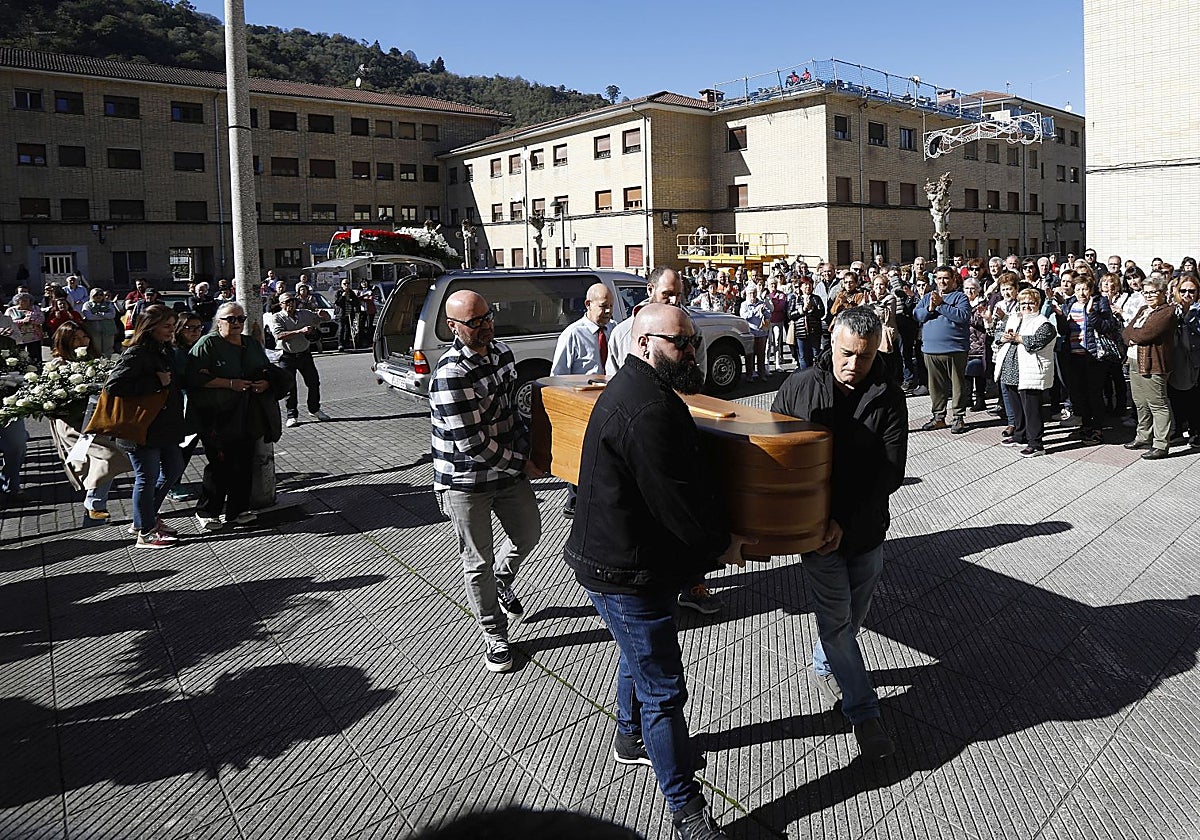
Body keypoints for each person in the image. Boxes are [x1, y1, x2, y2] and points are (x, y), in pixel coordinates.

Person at [565, 303, 752, 840]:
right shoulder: (646, 407)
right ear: (644, 342)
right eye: (679, 343)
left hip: (623, 559)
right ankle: (687, 809)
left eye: (692, 341)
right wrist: (724, 545)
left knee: (637, 653)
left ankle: (629, 737)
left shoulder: (638, 388)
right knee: (664, 687)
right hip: (625, 570)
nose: (690, 351)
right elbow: (677, 502)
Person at [771, 306, 908, 760]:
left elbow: (890, 471)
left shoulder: (888, 395)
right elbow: (777, 448)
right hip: (814, 532)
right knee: (836, 622)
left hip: (865, 530)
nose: (854, 364)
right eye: (847, 353)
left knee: (853, 616)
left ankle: (829, 661)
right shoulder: (799, 387)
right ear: (832, 341)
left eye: (864, 357)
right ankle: (864, 713)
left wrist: (844, 521)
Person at [429, 290, 543, 674]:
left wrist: (531, 446)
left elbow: (513, 412)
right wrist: (522, 463)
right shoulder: (450, 374)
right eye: (473, 322)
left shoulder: (502, 354)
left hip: (506, 471)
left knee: (529, 534)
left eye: (487, 317)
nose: (484, 326)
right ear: (453, 327)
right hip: (465, 478)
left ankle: (503, 579)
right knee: (477, 560)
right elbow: (473, 444)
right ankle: (494, 633)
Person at [187, 301, 278, 530]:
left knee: (244, 461)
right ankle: (208, 511)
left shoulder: (250, 343)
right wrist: (229, 383)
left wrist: (265, 383)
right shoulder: (208, 344)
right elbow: (193, 378)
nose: (236, 323)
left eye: (240, 319)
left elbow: (266, 367)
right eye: (231, 319)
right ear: (218, 322)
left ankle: (238, 510)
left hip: (248, 411)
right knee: (220, 464)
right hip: (216, 415)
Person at [103, 305, 186, 548]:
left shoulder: (164, 349)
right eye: (167, 326)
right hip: (142, 427)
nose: (172, 331)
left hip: (164, 426)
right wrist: (154, 382)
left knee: (173, 470)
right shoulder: (136, 352)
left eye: (173, 325)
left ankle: (144, 519)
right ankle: (146, 532)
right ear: (150, 327)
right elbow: (114, 386)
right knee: (146, 477)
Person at [550, 282, 614, 519]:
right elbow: (558, 376)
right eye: (603, 307)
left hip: (609, 402)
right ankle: (575, 500)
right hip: (583, 405)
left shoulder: (614, 330)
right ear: (588, 305)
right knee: (581, 453)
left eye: (611, 307)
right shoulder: (572, 335)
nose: (608, 312)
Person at [994, 288, 1057, 457]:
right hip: (1011, 367)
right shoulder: (1014, 318)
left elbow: (1036, 341)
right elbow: (997, 333)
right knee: (1016, 405)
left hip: (1030, 370)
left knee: (1032, 408)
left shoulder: (1044, 322)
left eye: (1030, 303)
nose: (1026, 306)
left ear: (1038, 304)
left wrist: (1017, 338)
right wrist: (1003, 337)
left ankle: (1036, 444)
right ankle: (1019, 435)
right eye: (1023, 303)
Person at [1122, 275, 1177, 459]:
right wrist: (1132, 335)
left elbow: (1147, 333)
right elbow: (1126, 331)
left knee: (1157, 403)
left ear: (1163, 293)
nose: (1149, 296)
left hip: (1153, 362)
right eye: (1146, 292)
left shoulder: (1167, 312)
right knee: (1140, 402)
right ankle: (1143, 436)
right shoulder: (1144, 309)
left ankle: (1161, 444)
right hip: (1134, 360)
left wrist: (1133, 336)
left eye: (1154, 292)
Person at [1061, 275, 1118, 445]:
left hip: (1094, 356)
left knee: (1094, 393)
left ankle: (1097, 429)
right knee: (1080, 393)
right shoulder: (1070, 303)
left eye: (1084, 289)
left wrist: (1091, 313)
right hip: (1074, 355)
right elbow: (1065, 329)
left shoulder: (1100, 302)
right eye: (1078, 289)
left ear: (1091, 289)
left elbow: (1107, 326)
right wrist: (1059, 316)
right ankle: (1086, 425)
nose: (1081, 293)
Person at [915, 265, 972, 433]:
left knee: (957, 385)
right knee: (935, 387)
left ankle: (958, 418)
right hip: (931, 350)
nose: (942, 281)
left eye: (946, 278)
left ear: (954, 280)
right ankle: (938, 417)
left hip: (955, 349)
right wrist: (930, 308)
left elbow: (962, 317)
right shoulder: (927, 297)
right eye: (939, 278)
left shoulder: (960, 297)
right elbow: (916, 315)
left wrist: (940, 305)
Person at [266, 292, 331, 428]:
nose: (291, 304)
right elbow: (279, 335)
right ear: (281, 304)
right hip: (286, 355)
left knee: (313, 382)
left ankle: (314, 409)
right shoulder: (277, 317)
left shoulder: (304, 314)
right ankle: (292, 415)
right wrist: (300, 331)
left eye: (293, 301)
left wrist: (324, 315)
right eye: (288, 302)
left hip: (304, 354)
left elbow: (323, 319)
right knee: (290, 386)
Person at [1168, 276, 1200, 447]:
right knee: (1175, 396)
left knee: (1194, 398)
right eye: (1183, 291)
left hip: (1195, 359)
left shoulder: (1198, 311)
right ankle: (1178, 430)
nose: (1187, 294)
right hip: (1176, 359)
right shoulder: (1173, 309)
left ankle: (1196, 431)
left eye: (1191, 291)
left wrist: (1189, 316)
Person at [788, 275, 825, 370]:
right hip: (800, 332)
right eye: (805, 285)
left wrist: (812, 309)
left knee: (816, 355)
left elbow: (821, 313)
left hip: (814, 331)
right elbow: (790, 315)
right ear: (801, 286)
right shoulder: (795, 299)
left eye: (809, 285)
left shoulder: (816, 298)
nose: (808, 287)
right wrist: (802, 310)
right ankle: (805, 375)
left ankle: (816, 374)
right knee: (802, 356)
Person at [5, 292, 44, 371]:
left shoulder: (35, 308)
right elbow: (7, 322)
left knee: (35, 357)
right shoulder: (11, 310)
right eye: (22, 300)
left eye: (27, 300)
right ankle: (19, 371)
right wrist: (22, 321)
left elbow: (42, 319)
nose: (25, 302)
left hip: (34, 337)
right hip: (18, 338)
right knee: (18, 356)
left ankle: (37, 370)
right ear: (17, 301)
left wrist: (32, 321)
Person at [740, 286, 770, 381]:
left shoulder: (761, 303)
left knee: (761, 355)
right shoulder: (744, 304)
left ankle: (761, 374)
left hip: (761, 333)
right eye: (749, 293)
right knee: (750, 355)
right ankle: (750, 375)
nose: (752, 295)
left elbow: (769, 315)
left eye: (753, 293)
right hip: (750, 333)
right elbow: (744, 316)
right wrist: (755, 311)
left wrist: (765, 311)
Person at [81, 288, 119, 358]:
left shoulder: (109, 303)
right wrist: (105, 316)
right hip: (94, 330)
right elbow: (89, 317)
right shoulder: (87, 304)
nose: (98, 296)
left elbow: (112, 315)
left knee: (108, 349)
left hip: (108, 330)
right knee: (96, 348)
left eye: (101, 294)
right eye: (96, 295)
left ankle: (109, 362)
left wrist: (100, 314)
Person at [333, 277, 362, 352]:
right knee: (341, 329)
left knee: (348, 329)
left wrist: (350, 300)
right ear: (341, 285)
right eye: (344, 284)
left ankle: (346, 343)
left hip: (349, 314)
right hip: (341, 314)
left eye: (348, 283)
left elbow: (356, 302)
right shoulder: (338, 292)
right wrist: (343, 296)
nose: (346, 285)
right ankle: (340, 344)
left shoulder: (351, 292)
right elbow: (337, 302)